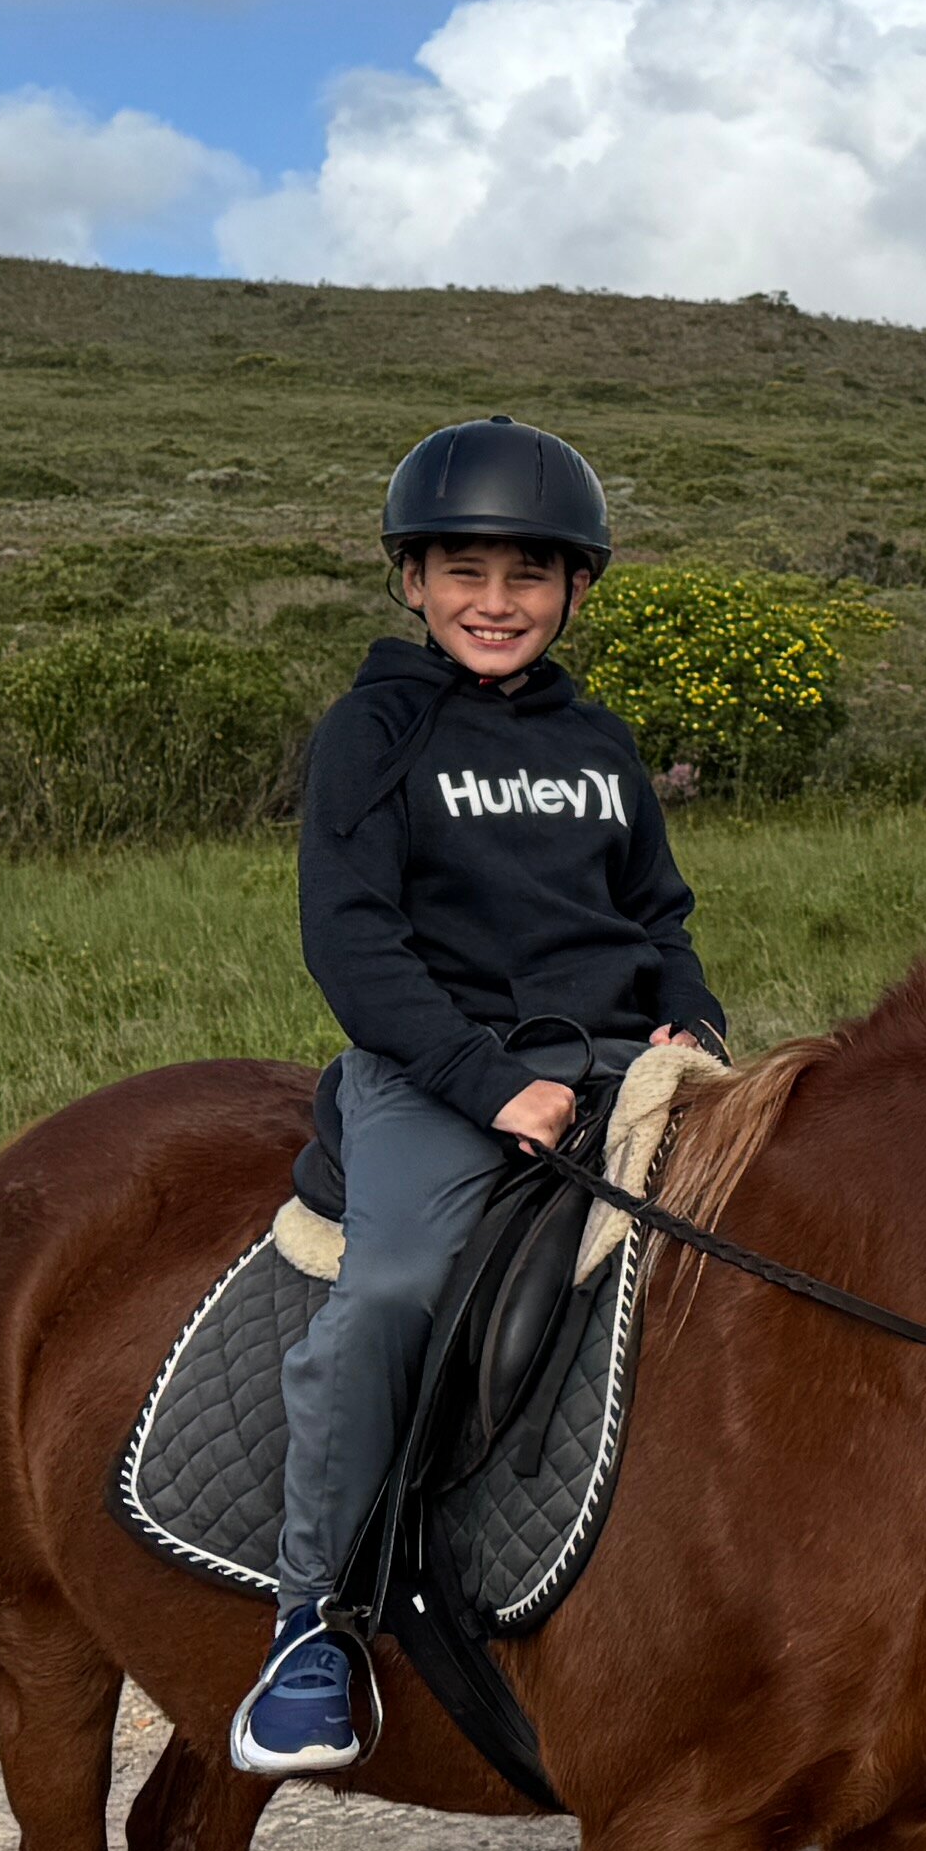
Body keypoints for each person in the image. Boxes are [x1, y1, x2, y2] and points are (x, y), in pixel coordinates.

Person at [232, 420, 721, 1781]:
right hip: (435, 1075)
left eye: (527, 574)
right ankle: (311, 1620)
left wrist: (696, 1021)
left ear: (574, 588)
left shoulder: (599, 740)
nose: (494, 601)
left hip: (625, 1059)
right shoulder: (374, 730)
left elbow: (658, 913)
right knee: (388, 1294)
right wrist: (487, 1082)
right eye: (464, 568)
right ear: (410, 579)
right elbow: (351, 939)